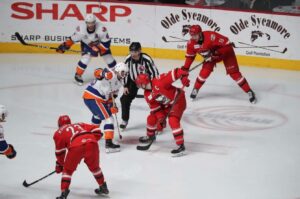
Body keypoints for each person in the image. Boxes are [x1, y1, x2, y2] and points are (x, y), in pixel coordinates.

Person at [182, 25, 257, 103]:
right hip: (211, 57)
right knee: (204, 73)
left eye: (195, 35)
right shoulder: (191, 43)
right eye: (191, 35)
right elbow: (190, 57)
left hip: (226, 53)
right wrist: (185, 68)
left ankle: (249, 91)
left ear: (200, 33)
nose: (193, 37)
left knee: (234, 74)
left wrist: (215, 53)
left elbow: (227, 43)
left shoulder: (211, 36)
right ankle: (195, 89)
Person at [135, 67, 190, 156]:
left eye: (139, 84)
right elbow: (156, 109)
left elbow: (177, 72)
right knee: (151, 118)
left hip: (178, 101)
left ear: (143, 84)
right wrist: (161, 119)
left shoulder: (159, 81)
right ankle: (151, 136)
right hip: (166, 105)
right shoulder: (147, 95)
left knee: (173, 120)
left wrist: (184, 78)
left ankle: (181, 146)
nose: (139, 86)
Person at [53, 115, 109, 199]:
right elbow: (98, 131)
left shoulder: (58, 133)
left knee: (67, 170)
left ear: (59, 124)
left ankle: (64, 193)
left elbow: (60, 152)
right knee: (95, 167)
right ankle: (103, 186)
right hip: (92, 143)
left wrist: (60, 165)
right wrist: (90, 140)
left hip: (76, 146)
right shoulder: (80, 124)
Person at [56, 14, 117, 85]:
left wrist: (98, 48)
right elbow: (73, 39)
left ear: (95, 22)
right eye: (88, 23)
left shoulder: (101, 28)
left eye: (92, 23)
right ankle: (78, 75)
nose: (90, 25)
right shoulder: (81, 29)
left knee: (108, 58)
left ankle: (116, 73)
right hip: (87, 43)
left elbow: (106, 44)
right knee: (86, 58)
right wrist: (65, 45)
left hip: (101, 44)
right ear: (86, 22)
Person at [83, 62, 129, 153]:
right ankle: (109, 144)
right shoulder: (110, 73)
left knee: (98, 116)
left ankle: (91, 135)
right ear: (117, 71)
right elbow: (97, 72)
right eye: (123, 72)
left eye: (126, 73)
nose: (124, 74)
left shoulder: (121, 82)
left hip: (94, 98)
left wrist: (112, 105)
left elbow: (112, 96)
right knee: (109, 119)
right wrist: (104, 74)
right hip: (94, 97)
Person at [120, 42, 159, 131]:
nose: (132, 54)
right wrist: (125, 86)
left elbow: (154, 73)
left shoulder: (146, 59)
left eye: (135, 52)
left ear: (140, 51)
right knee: (124, 99)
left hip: (147, 82)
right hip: (133, 81)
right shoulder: (127, 59)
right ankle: (125, 120)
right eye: (131, 51)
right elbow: (125, 73)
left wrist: (154, 86)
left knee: (155, 100)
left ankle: (159, 122)